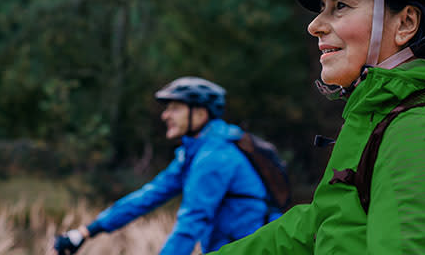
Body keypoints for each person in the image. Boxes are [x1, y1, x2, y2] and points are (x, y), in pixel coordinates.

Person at [211, 0, 425, 254]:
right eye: (321, 9)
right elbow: (317, 228)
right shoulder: (386, 119)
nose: (315, 26)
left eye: (340, 5)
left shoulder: (423, 133)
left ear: (405, 24)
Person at [54, 77, 277, 255]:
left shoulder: (215, 157)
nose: (165, 115)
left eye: (175, 108)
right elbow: (147, 197)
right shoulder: (194, 153)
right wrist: (85, 232)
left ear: (200, 113)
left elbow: (192, 222)